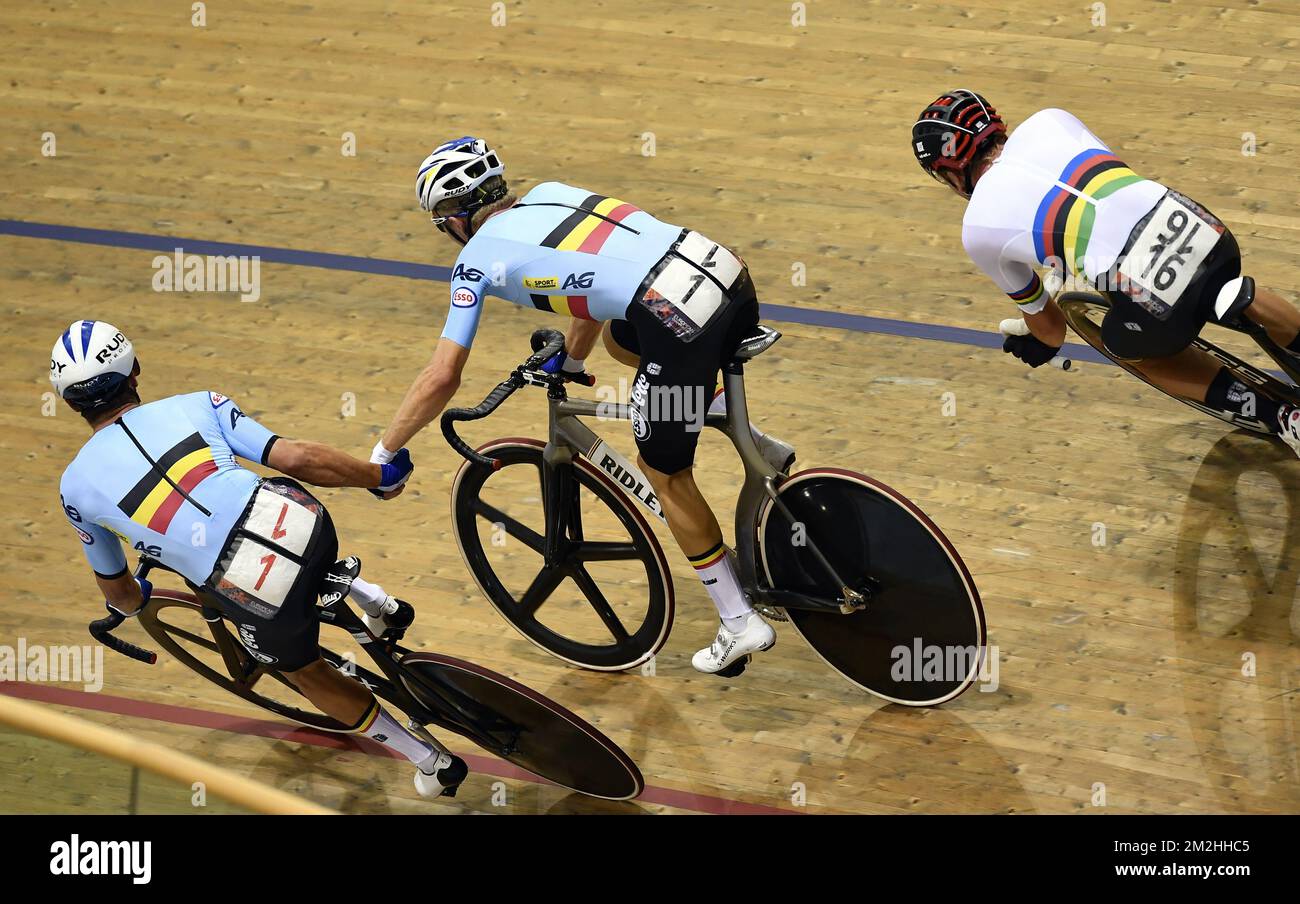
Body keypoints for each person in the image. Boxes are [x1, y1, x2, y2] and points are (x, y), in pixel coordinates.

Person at [369, 136, 794, 674]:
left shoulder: (474, 263)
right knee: (624, 336)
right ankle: (748, 438)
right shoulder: (551, 193)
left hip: (676, 318)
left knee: (664, 472)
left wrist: (384, 451)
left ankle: (739, 621)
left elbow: (441, 376)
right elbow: (593, 290)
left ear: (453, 218)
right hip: (724, 272)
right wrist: (570, 362)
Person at [52, 319, 468, 798]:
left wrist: (132, 600)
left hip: (256, 591)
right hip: (307, 522)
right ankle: (375, 601)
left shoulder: (75, 489)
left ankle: (430, 761)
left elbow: (121, 594)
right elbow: (294, 459)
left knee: (303, 669)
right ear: (136, 370)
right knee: (285, 525)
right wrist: (378, 476)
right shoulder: (196, 404)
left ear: (67, 402)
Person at [911, 90, 1300, 452]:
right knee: (1229, 289)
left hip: (1148, 297)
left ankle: (1284, 418)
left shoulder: (977, 228)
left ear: (949, 171)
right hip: (1200, 226)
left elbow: (1051, 329)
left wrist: (1036, 343)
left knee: (1128, 349)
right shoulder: (1050, 119)